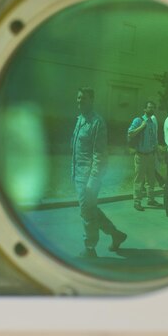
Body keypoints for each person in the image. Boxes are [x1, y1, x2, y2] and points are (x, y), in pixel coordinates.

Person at [71, 87, 126, 257]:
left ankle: (90, 248)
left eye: (84, 98)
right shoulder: (80, 120)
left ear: (91, 100)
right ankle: (116, 235)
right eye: (78, 98)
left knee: (87, 213)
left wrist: (93, 180)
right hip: (78, 174)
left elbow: (99, 154)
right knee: (91, 209)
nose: (80, 101)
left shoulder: (97, 122)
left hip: (88, 176)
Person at [127, 100, 160, 211]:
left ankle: (151, 199)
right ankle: (137, 201)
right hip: (140, 155)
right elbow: (130, 133)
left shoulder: (152, 123)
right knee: (139, 180)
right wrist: (141, 126)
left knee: (151, 179)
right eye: (149, 107)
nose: (151, 109)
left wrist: (158, 154)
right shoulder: (138, 120)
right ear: (144, 109)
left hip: (151, 155)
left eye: (153, 107)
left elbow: (154, 140)